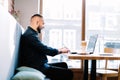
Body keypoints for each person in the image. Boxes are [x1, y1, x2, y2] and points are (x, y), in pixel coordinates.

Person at [18, 14, 73, 80]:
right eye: (43, 24)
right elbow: (46, 50)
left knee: (63, 64)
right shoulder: (30, 36)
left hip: (40, 65)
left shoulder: (31, 34)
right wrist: (60, 51)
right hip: (38, 68)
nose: (43, 26)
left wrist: (59, 49)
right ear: (37, 22)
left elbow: (42, 48)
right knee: (69, 73)